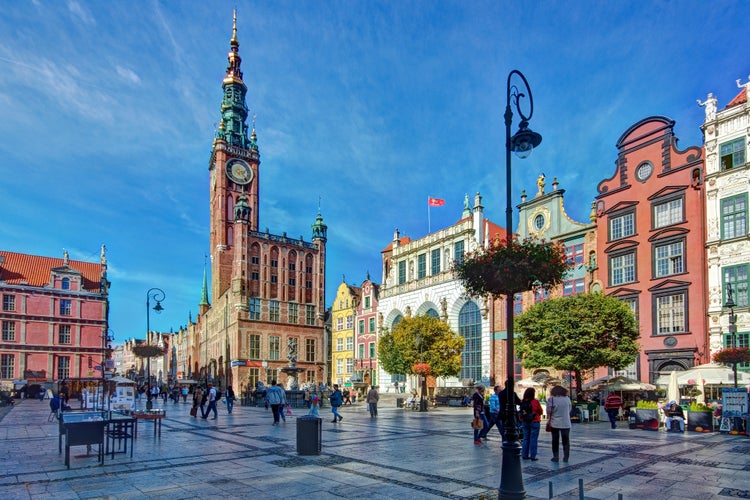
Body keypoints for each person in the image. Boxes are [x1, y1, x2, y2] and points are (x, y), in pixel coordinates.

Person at [547, 385, 572, 462]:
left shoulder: (552, 399)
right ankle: (566, 457)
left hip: (555, 423)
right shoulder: (567, 399)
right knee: (566, 441)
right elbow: (569, 409)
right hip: (566, 422)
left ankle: (556, 457)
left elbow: (548, 411)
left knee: (555, 441)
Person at [520, 388, 544, 461]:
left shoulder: (522, 401)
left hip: (524, 421)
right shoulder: (535, 401)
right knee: (533, 439)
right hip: (534, 421)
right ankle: (533, 456)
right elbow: (540, 411)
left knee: (525, 438)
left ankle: (524, 455)